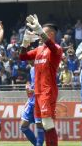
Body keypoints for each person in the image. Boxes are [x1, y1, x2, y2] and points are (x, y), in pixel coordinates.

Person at [19, 15, 63, 146]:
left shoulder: (56, 49)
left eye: (42, 32)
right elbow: (22, 56)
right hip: (37, 93)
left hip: (47, 91)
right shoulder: (39, 49)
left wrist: (39, 29)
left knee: (47, 123)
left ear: (51, 33)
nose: (38, 34)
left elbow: (51, 45)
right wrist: (25, 42)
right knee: (42, 125)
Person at [20, 66, 45, 146]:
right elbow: (32, 84)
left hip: (39, 103)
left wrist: (33, 90)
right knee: (23, 127)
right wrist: (28, 86)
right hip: (31, 102)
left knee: (39, 125)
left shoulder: (44, 69)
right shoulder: (32, 69)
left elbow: (46, 87)